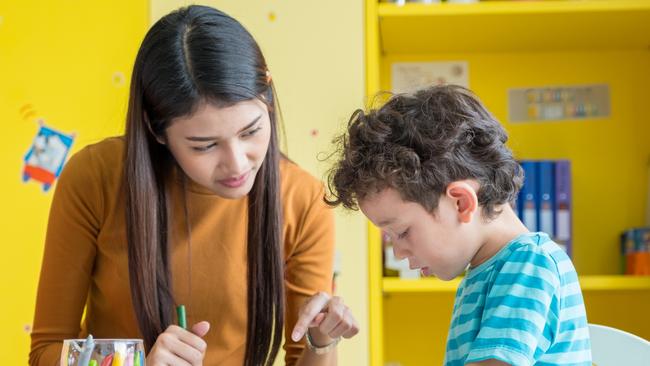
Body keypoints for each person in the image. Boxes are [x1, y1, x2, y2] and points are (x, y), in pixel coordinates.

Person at [30, 5, 358, 366]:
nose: (237, 163)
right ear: (156, 130)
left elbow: (302, 356)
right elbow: (46, 351)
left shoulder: (302, 199)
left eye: (250, 131)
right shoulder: (94, 178)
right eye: (205, 145)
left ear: (267, 98)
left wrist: (321, 341)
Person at [326, 85, 591, 365]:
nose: (400, 252)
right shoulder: (481, 275)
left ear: (461, 203)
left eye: (402, 232)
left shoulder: (529, 264)